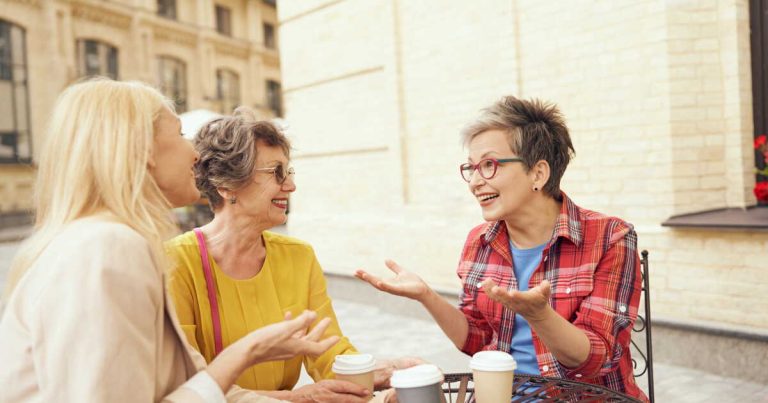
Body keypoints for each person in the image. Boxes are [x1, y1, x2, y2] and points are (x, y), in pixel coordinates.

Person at [0, 79, 340, 403]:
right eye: (179, 134)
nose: (195, 154)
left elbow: (189, 386)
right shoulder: (108, 247)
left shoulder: (98, 242)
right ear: (145, 150)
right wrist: (247, 352)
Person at [356, 96, 649, 401]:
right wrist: (426, 296)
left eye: (488, 165)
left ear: (538, 173)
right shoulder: (479, 241)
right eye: (470, 168)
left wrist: (539, 315)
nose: (474, 182)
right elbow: (476, 338)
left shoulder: (610, 237)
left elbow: (596, 359)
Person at [166, 108, 414, 403]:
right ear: (226, 184)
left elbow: (327, 351)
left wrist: (380, 372)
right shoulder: (176, 263)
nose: (291, 185)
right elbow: (189, 385)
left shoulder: (299, 256)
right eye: (276, 173)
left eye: (289, 171)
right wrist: (296, 399)